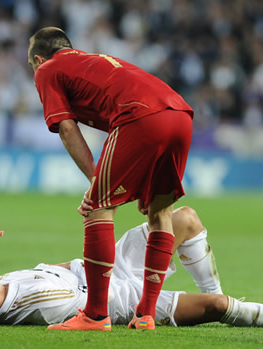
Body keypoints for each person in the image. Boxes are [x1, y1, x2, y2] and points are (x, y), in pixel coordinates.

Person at [0, 206, 263, 330]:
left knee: (185, 219)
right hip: (123, 292)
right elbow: (94, 297)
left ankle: (217, 290)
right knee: (217, 305)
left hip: (103, 268)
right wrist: (147, 283)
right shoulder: (36, 302)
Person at [28, 26, 194, 331]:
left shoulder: (47, 70)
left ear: (38, 59)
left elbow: (66, 129)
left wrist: (96, 183)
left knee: (97, 208)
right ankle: (145, 314)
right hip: (181, 114)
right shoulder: (95, 61)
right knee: (160, 213)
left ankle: (94, 315)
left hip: (140, 115)